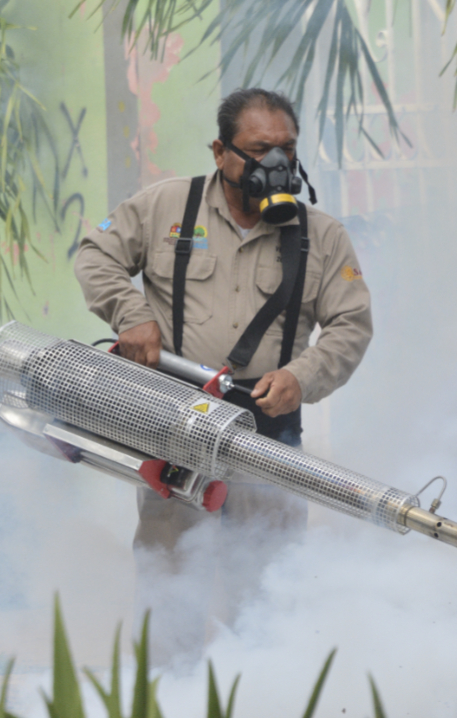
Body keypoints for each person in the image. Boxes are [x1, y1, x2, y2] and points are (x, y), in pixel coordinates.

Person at [73, 88, 372, 659]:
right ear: (220, 151)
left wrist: (301, 378)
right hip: (176, 427)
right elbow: (96, 254)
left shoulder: (322, 235)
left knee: (267, 599)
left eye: (286, 148)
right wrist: (132, 316)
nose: (275, 164)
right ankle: (168, 709)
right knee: (169, 592)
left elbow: (351, 326)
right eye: (260, 149)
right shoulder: (166, 208)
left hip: (269, 434)